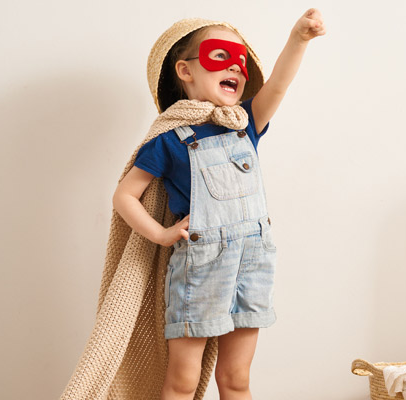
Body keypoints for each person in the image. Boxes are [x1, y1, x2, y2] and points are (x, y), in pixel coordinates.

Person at [108, 11, 324, 400]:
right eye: (220, 56)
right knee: (182, 382)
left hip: (253, 265)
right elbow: (124, 195)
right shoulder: (169, 140)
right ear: (185, 70)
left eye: (241, 62)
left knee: (236, 379)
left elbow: (277, 86)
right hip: (200, 270)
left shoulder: (246, 124)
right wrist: (161, 234)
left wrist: (299, 39)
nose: (237, 69)